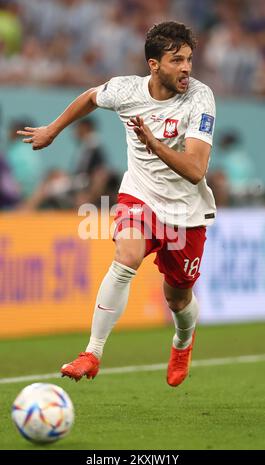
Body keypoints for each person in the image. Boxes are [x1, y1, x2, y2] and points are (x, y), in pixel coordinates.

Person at [17, 21, 216, 387]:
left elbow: (196, 169)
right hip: (139, 195)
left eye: (189, 59)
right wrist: (52, 129)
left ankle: (182, 342)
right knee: (126, 256)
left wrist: (154, 144)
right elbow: (91, 97)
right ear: (154, 65)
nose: (187, 68)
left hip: (185, 212)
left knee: (178, 298)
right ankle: (92, 353)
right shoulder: (126, 89)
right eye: (177, 60)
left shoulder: (200, 98)